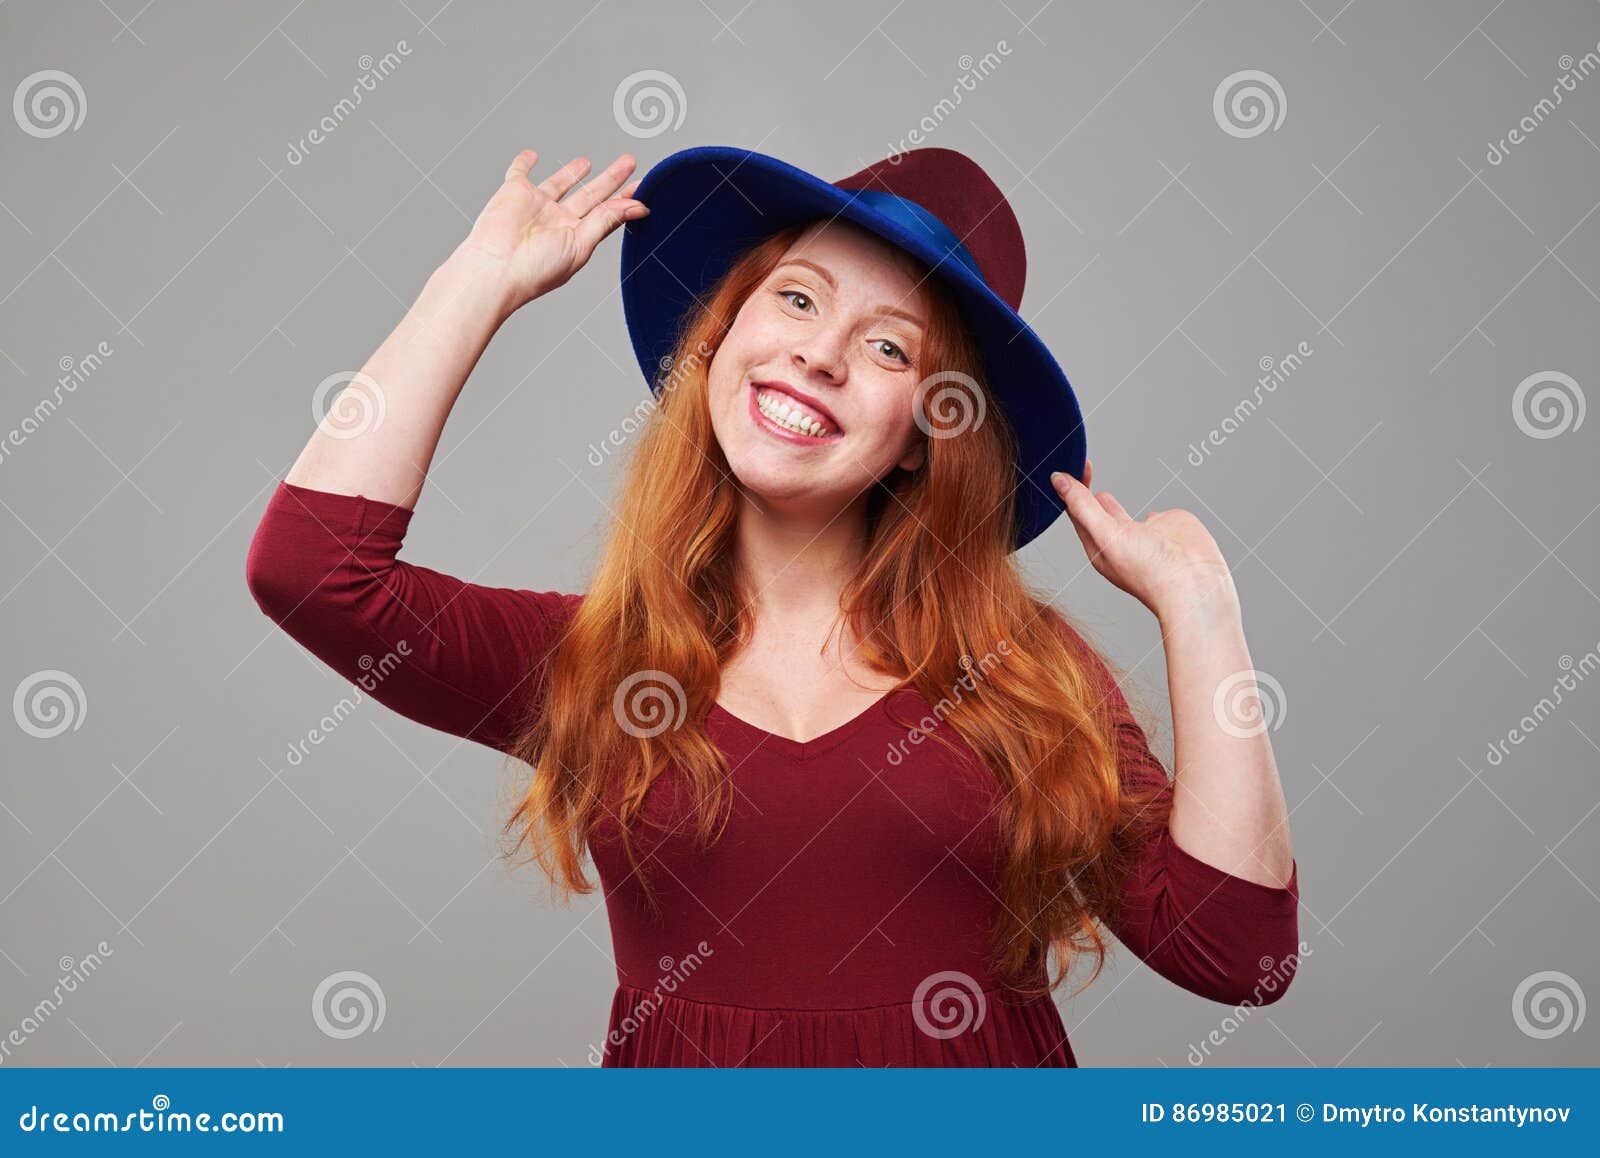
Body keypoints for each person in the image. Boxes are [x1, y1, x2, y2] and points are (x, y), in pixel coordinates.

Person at [245, 144, 1301, 1067]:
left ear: (932, 427)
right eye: (795, 298)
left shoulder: (1022, 675)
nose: (818, 352)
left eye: (889, 346)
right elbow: (309, 571)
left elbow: (1237, 956)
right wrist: (474, 284)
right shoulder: (598, 664)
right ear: (720, 335)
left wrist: (1201, 615)